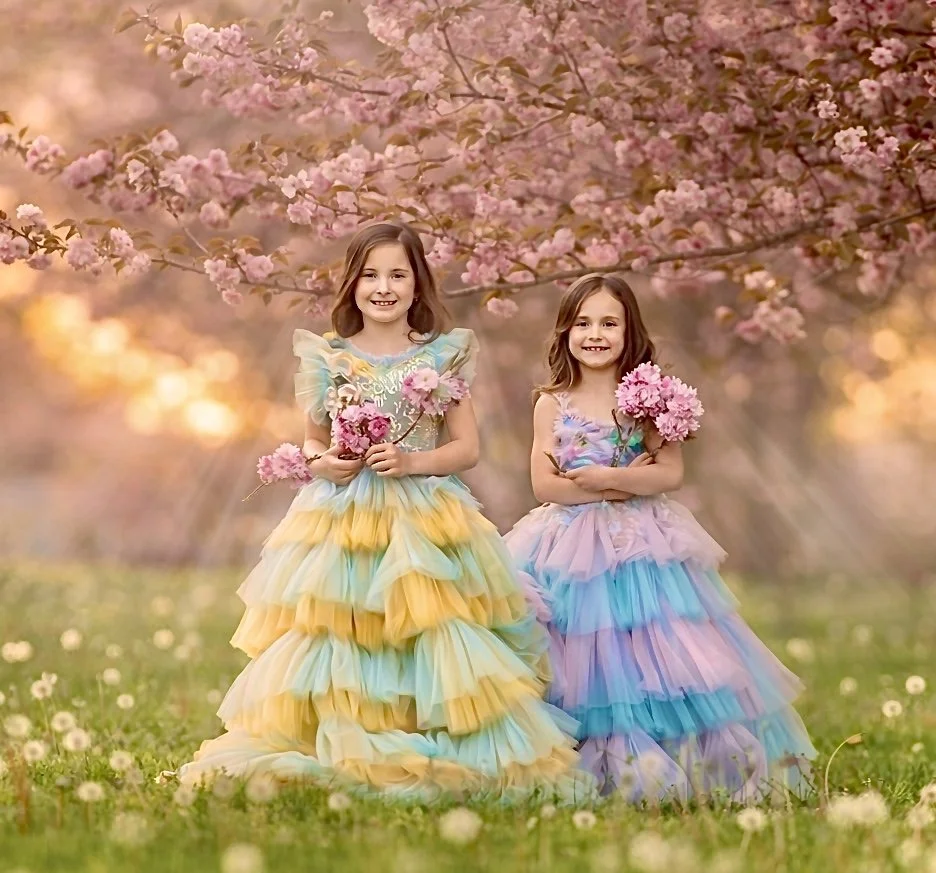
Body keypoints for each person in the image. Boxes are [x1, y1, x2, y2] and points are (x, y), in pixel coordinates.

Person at [178, 222, 593, 804]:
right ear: (352, 285)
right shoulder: (329, 358)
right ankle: (348, 737)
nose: (384, 287)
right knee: (343, 632)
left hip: (423, 511)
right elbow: (312, 445)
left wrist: (411, 458)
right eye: (371, 275)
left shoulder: (439, 357)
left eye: (398, 275)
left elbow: (465, 449)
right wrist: (328, 464)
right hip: (343, 516)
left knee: (429, 625)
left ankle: (429, 734)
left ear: (417, 284)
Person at [504, 273, 816, 802]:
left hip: (644, 541)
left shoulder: (646, 398)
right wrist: (616, 487)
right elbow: (545, 485)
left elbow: (668, 473)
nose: (595, 334)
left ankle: (685, 758)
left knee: (658, 643)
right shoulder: (552, 402)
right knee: (581, 644)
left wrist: (611, 478)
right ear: (566, 331)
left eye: (609, 323)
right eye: (583, 323)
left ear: (630, 332)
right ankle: (582, 759)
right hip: (569, 544)